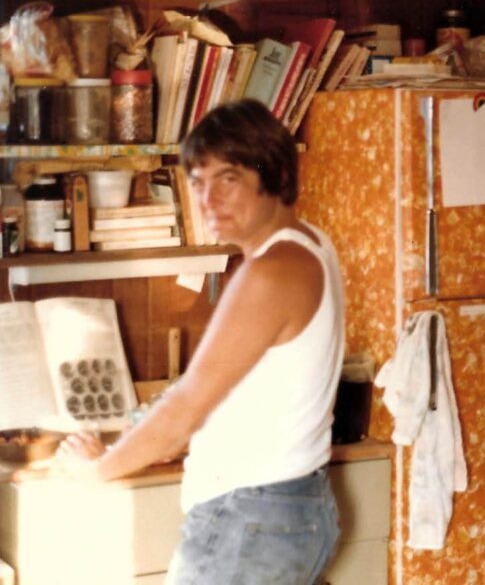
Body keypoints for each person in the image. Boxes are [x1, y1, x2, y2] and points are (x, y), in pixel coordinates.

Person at [57, 99, 346, 585]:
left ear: (271, 174)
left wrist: (99, 470)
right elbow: (237, 391)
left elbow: (186, 408)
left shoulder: (270, 273)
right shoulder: (311, 244)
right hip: (292, 510)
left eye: (227, 179)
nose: (208, 200)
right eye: (197, 183)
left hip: (249, 520)